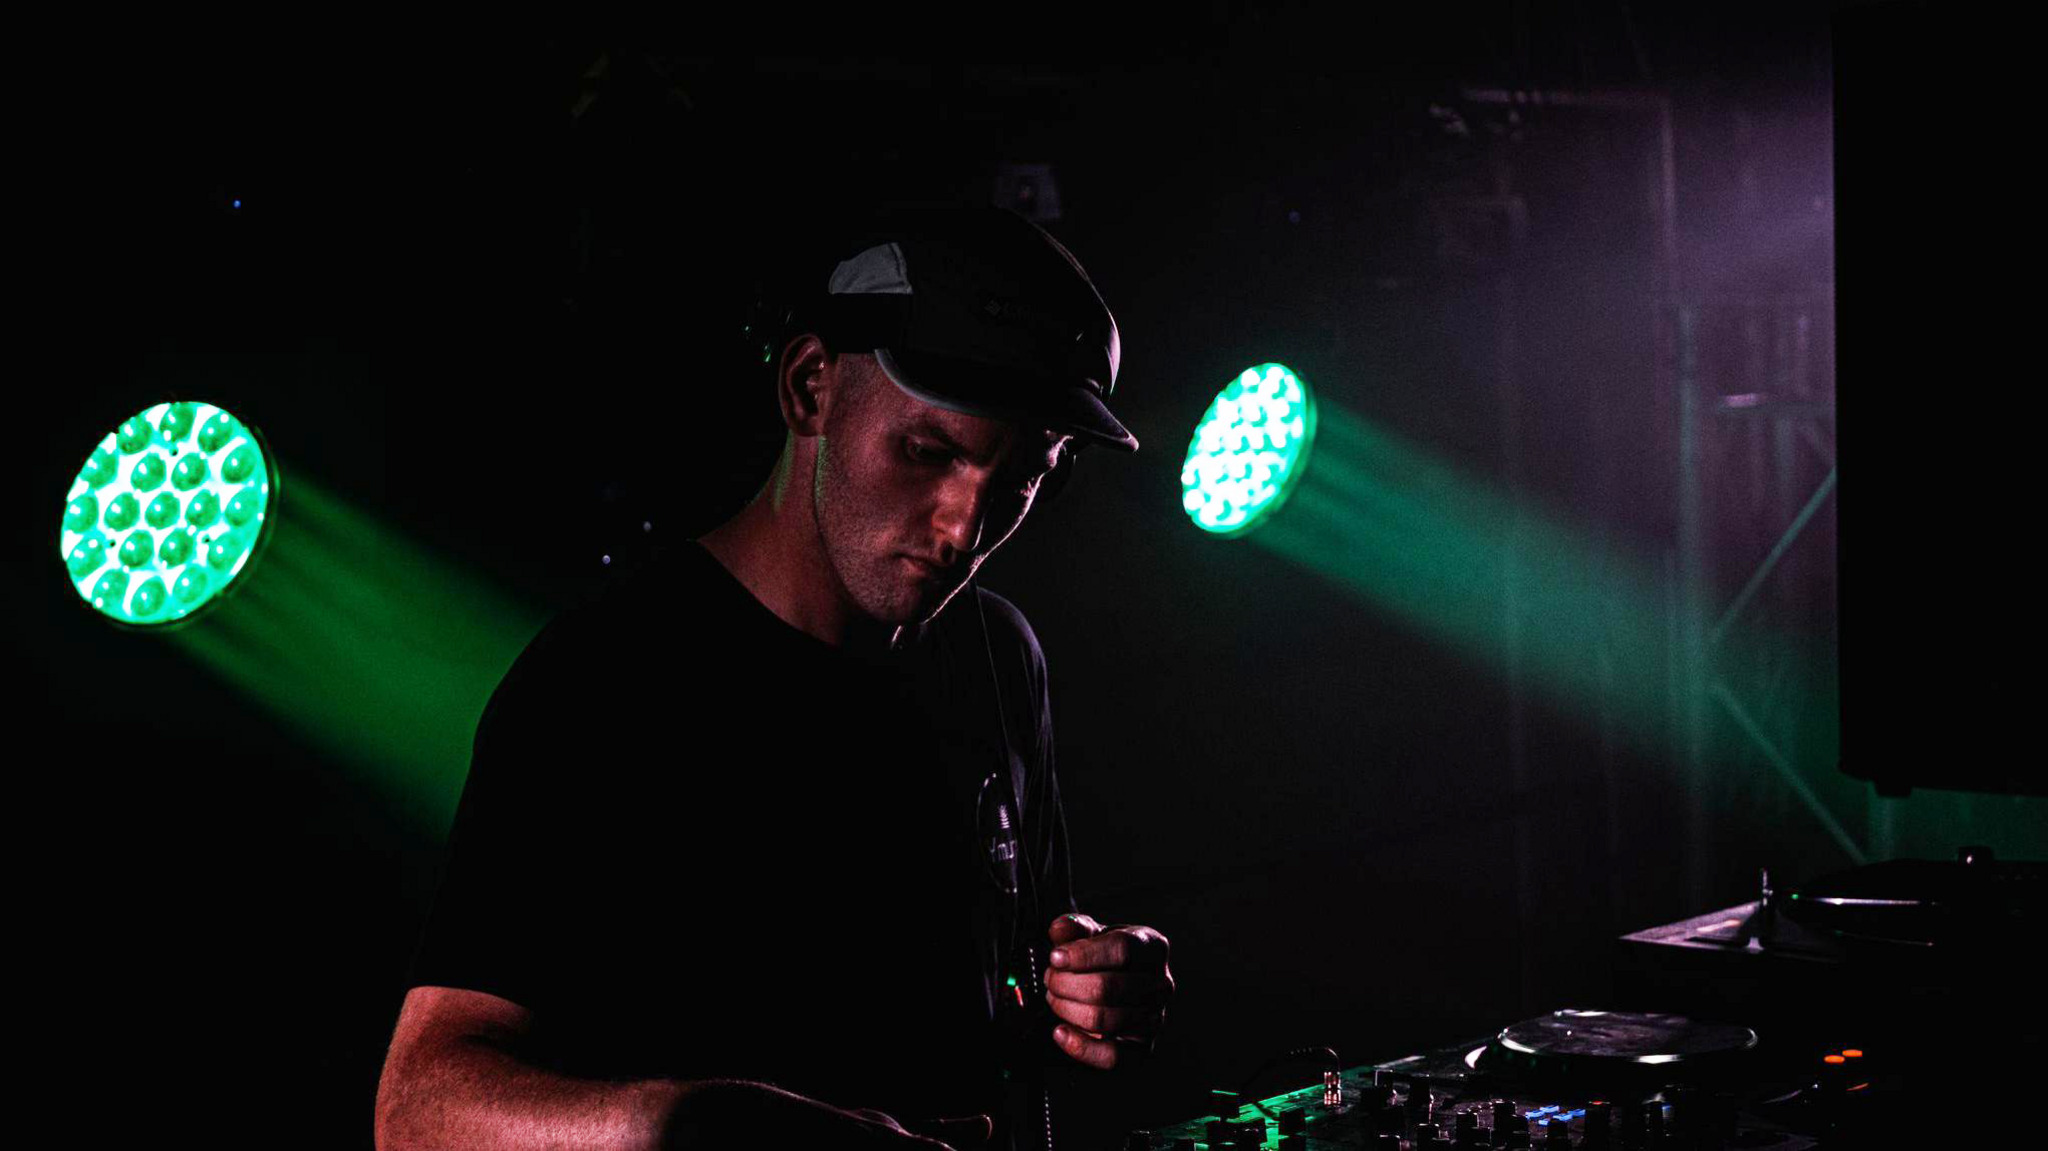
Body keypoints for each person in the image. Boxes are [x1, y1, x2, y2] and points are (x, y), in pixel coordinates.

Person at [374, 206, 1175, 1150]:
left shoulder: (998, 655)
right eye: (928, 451)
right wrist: (697, 1122)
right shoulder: (605, 681)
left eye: (1018, 480)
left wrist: (1091, 984)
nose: (964, 528)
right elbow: (419, 1107)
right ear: (809, 388)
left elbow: (1015, 983)